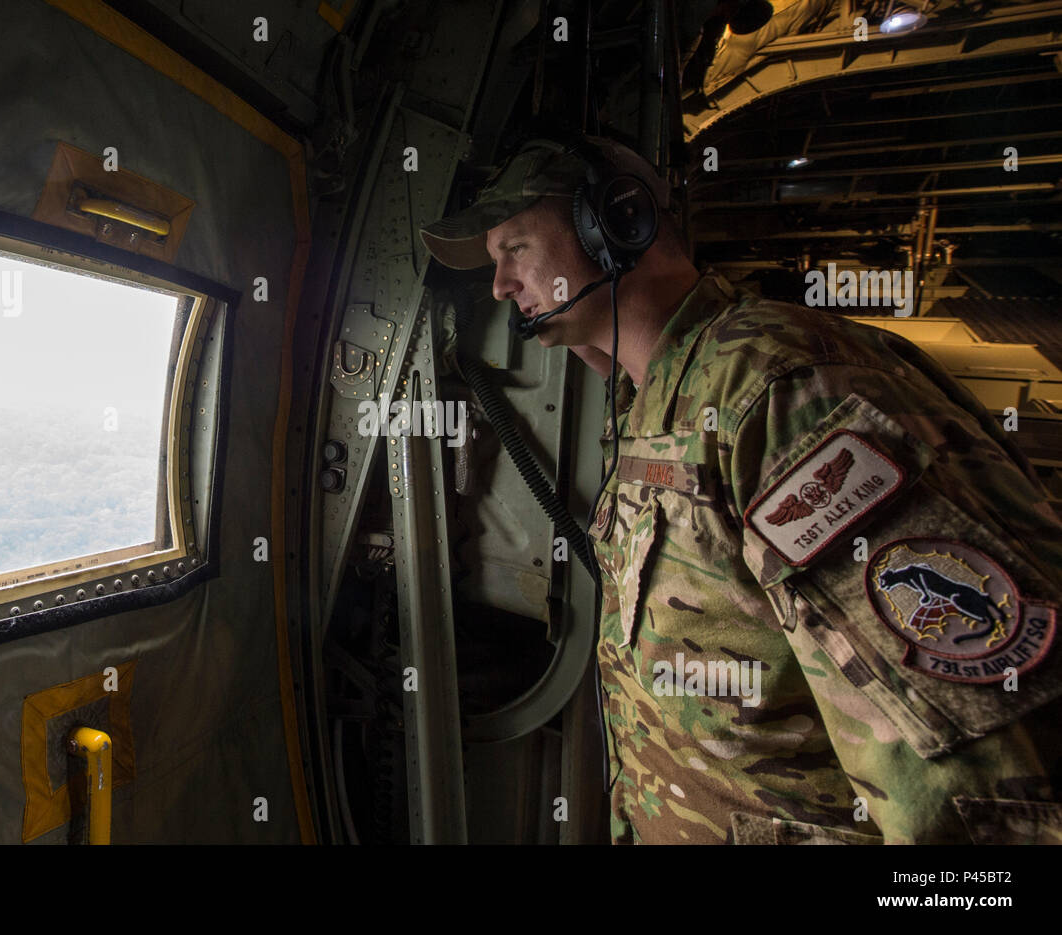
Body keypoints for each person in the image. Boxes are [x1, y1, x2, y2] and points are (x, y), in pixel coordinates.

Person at [419, 135, 1062, 844]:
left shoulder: (775, 393)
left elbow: (975, 793)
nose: (500, 286)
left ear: (617, 221)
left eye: (514, 249)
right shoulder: (655, 404)